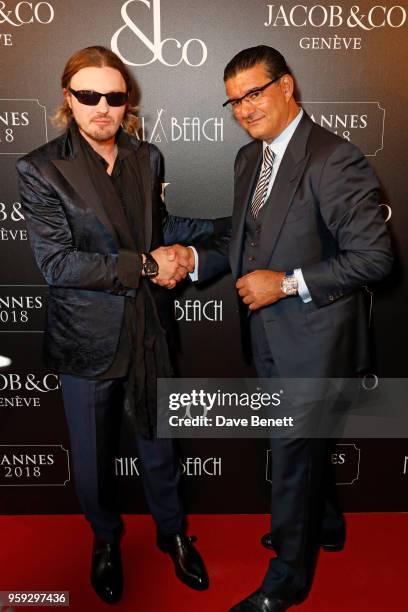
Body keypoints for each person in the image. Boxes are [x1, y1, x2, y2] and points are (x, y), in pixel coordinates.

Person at [16, 45, 215, 605]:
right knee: (92, 458)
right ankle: (105, 542)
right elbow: (58, 264)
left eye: (114, 96)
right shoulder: (40, 167)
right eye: (88, 95)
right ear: (67, 98)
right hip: (86, 337)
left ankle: (173, 534)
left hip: (149, 325)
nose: (102, 107)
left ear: (126, 102)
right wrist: (150, 264)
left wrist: (225, 229)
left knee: (161, 444)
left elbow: (155, 225)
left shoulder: (146, 157)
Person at [196, 45, 393, 611]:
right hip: (266, 337)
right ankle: (323, 526)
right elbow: (245, 236)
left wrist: (283, 284)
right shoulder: (247, 159)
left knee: (290, 459)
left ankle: (286, 577)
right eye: (234, 101)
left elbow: (375, 257)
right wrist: (192, 254)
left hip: (316, 340)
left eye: (254, 94)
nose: (244, 110)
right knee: (302, 451)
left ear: (287, 86)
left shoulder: (335, 158)